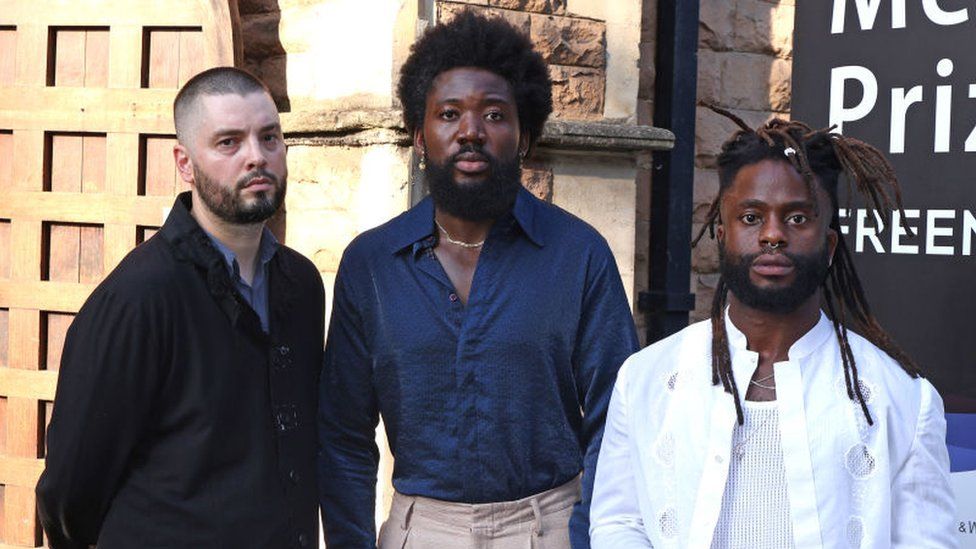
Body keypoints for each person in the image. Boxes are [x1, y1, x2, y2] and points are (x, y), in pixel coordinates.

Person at [318, 11, 639, 549]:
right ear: (420, 137)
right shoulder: (371, 263)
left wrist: (588, 538)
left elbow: (618, 421)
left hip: (549, 528)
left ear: (524, 136)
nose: (470, 132)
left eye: (494, 114)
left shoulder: (579, 255)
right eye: (448, 115)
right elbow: (345, 436)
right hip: (420, 531)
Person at [590, 107, 957, 548]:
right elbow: (618, 524)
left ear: (830, 243)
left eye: (798, 218)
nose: (772, 235)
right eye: (750, 217)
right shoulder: (645, 378)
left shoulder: (903, 399)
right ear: (721, 234)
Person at [35, 67, 324, 549]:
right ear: (185, 163)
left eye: (269, 137)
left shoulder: (302, 285)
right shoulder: (136, 300)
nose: (257, 156)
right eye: (229, 142)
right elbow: (69, 493)